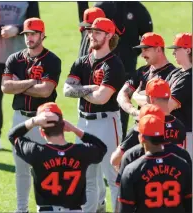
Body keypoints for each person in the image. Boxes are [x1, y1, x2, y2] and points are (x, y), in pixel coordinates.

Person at [63, 17, 125, 212]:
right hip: (83, 123)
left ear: (108, 35)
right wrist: (90, 88)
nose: (91, 35)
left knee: (113, 175)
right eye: (90, 31)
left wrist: (81, 90)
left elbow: (102, 98)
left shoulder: (114, 64)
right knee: (87, 175)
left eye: (97, 32)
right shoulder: (81, 62)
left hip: (107, 123)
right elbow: (66, 90)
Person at [1, 17, 62, 213]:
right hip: (20, 117)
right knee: (21, 168)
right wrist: (31, 82)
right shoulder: (14, 58)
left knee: (44, 166)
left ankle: (45, 207)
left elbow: (45, 91)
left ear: (43, 35)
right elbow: (5, 87)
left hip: (44, 120)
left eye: (34, 34)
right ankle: (21, 209)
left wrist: (19, 84)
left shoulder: (52, 60)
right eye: (27, 34)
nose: (30, 38)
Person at [8, 102, 107, 212]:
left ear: (41, 132)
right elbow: (101, 147)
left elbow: (12, 135)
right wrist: (75, 130)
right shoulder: (80, 152)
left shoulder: (36, 151)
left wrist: (34, 121)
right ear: (63, 126)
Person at [77, 2, 153, 140]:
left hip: (122, 74)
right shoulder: (100, 7)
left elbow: (146, 39)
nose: (91, 34)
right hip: (92, 77)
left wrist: (130, 55)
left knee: (117, 126)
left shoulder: (137, 10)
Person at [0, 1, 40, 152]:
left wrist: (17, 30)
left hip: (23, 56)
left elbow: (37, 24)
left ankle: (29, 134)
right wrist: (0, 30)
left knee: (27, 95)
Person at [112, 32, 177, 167]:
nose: (142, 54)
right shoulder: (142, 72)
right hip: (140, 126)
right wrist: (134, 111)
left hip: (162, 130)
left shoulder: (173, 74)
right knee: (117, 159)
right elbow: (121, 94)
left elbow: (163, 104)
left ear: (159, 49)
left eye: (146, 49)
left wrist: (137, 96)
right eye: (141, 50)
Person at [118, 113, 192, 213]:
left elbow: (125, 209)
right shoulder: (182, 165)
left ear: (142, 138)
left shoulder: (132, 170)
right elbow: (189, 204)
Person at [166, 33, 192, 158]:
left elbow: (166, 107)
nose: (173, 53)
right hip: (173, 133)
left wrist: (138, 97)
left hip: (187, 135)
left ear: (188, 50)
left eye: (176, 49)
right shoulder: (175, 73)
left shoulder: (189, 78)